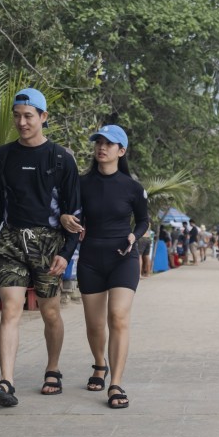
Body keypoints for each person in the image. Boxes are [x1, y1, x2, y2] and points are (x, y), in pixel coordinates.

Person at [0, 88, 81, 406]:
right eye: (17, 116)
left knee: (50, 312)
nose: (22, 122)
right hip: (9, 241)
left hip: (48, 244)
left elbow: (75, 215)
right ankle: (6, 381)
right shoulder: (0, 158)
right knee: (10, 311)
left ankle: (53, 369)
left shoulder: (61, 159)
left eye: (29, 116)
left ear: (43, 117)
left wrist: (66, 254)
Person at [59, 124, 148, 409]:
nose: (102, 147)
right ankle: (100, 364)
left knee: (118, 317)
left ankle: (116, 384)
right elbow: (70, 214)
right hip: (91, 260)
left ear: (121, 151)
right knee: (95, 324)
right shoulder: (82, 183)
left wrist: (136, 234)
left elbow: (144, 220)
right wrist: (66, 219)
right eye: (99, 142)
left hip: (124, 257)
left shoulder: (133, 187)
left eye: (109, 144)